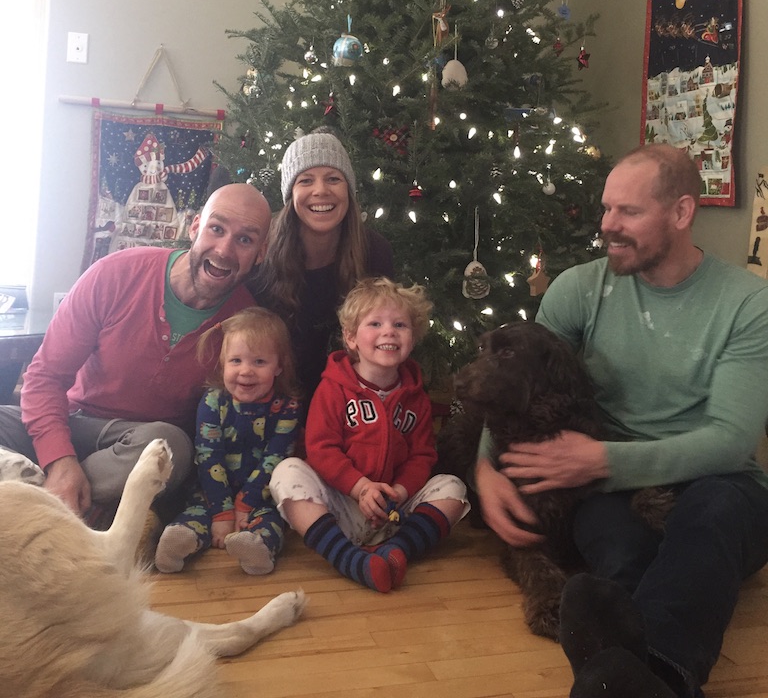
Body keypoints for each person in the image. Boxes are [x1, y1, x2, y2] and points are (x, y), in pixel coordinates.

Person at [474, 143, 768, 698]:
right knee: (618, 549)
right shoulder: (578, 288)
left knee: (711, 512)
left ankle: (657, 671)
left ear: (681, 212)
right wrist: (487, 466)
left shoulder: (748, 304)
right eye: (606, 208)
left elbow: (730, 442)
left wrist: (602, 460)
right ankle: (638, 677)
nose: (608, 225)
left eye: (628, 211)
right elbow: (516, 384)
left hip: (718, 486)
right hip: (608, 489)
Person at [0, 182, 272, 523]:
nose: (224, 250)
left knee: (170, 447)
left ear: (261, 253)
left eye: (245, 240)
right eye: (216, 229)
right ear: (194, 227)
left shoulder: (245, 324)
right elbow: (45, 378)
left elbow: (230, 423)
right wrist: (60, 460)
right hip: (74, 421)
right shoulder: (115, 273)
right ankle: (69, 499)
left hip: (143, 447)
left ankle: (38, 498)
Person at [270, 277, 469, 593]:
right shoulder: (333, 389)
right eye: (375, 323)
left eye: (400, 325)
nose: (389, 331)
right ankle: (348, 559)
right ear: (351, 338)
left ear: (413, 337)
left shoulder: (416, 397)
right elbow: (321, 449)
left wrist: (399, 492)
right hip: (341, 506)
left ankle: (397, 550)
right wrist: (360, 488)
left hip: (394, 511)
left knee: (453, 488)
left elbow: (422, 456)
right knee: (287, 473)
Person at [250, 127, 394, 405]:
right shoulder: (263, 252)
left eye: (333, 179)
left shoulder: (375, 251)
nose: (321, 191)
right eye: (305, 180)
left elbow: (381, 339)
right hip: (271, 401)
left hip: (349, 400)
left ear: (348, 189)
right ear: (290, 193)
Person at [154, 306, 302, 576]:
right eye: (236, 361)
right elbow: (208, 456)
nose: (246, 371)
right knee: (196, 512)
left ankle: (257, 550)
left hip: (261, 496)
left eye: (259, 362)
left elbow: (276, 458)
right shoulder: (213, 401)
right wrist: (222, 512)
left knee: (272, 521)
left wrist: (246, 504)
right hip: (211, 493)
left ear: (279, 366)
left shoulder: (287, 408)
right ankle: (177, 542)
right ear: (223, 363)